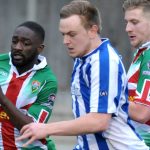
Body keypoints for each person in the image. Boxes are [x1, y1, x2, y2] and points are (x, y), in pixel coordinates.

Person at [16, 1, 149, 150]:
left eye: (72, 34)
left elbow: (99, 121)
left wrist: (46, 128)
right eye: (63, 34)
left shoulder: (103, 61)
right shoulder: (83, 58)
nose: (65, 41)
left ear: (93, 30)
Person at [0, 21, 58, 149]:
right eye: (14, 41)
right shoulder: (1, 63)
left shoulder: (47, 81)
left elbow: (33, 129)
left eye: (25, 44)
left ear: (40, 48)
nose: (18, 47)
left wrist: (2, 99)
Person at [123, 0, 150, 147]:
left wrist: (107, 98)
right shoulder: (143, 52)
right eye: (126, 22)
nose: (128, 28)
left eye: (134, 22)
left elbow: (141, 112)